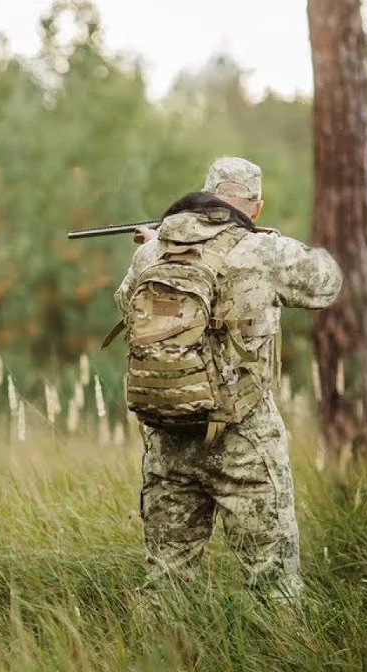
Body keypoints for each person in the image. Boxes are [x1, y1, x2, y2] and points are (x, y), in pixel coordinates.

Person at [113, 156, 343, 601]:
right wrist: (277, 244)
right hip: (244, 438)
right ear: (254, 207)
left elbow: (127, 307)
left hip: (168, 441)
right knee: (273, 581)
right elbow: (327, 284)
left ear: (206, 195)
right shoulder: (262, 250)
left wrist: (155, 246)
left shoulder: (151, 251)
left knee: (167, 585)